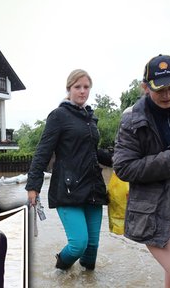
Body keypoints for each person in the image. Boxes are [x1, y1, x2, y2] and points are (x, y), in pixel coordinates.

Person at [113, 54, 170, 288]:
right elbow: (123, 167)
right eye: (159, 89)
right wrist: (169, 159)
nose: (167, 95)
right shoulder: (133, 119)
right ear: (145, 87)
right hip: (156, 215)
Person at [25, 69, 110, 271]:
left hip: (93, 188)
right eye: (77, 87)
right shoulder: (59, 116)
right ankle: (59, 273)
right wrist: (33, 186)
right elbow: (42, 152)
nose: (82, 91)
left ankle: (88, 281)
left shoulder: (91, 118)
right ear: (69, 89)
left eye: (86, 87)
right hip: (68, 189)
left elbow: (92, 151)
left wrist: (120, 160)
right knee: (78, 244)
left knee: (92, 247)